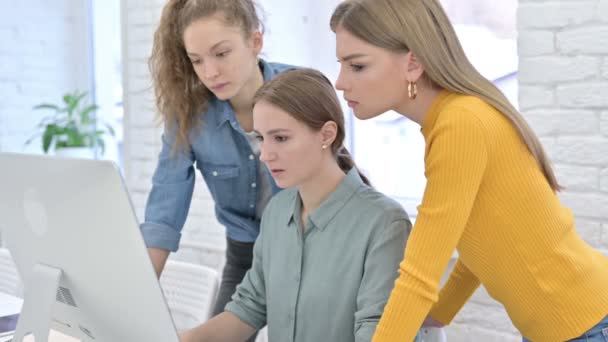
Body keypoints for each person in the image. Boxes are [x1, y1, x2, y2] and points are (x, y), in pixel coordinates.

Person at [330, 1, 608, 341]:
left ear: (413, 63)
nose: (341, 82)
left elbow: (421, 270)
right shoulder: (451, 120)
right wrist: (441, 312)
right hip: (569, 324)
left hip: (587, 324)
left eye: (356, 66)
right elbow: (486, 236)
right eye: (341, 65)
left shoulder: (460, 124)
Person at [179, 68, 415, 342]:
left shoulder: (384, 224)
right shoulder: (277, 212)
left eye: (281, 138)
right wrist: (185, 339)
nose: (265, 155)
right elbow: (250, 307)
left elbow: (378, 332)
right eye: (261, 138)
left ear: (326, 135)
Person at [143, 1, 295, 339]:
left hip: (311, 250)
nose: (210, 72)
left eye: (221, 54)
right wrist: (131, 301)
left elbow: (335, 178)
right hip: (244, 255)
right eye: (197, 60)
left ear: (255, 42)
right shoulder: (189, 115)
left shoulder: (301, 89)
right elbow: (164, 211)